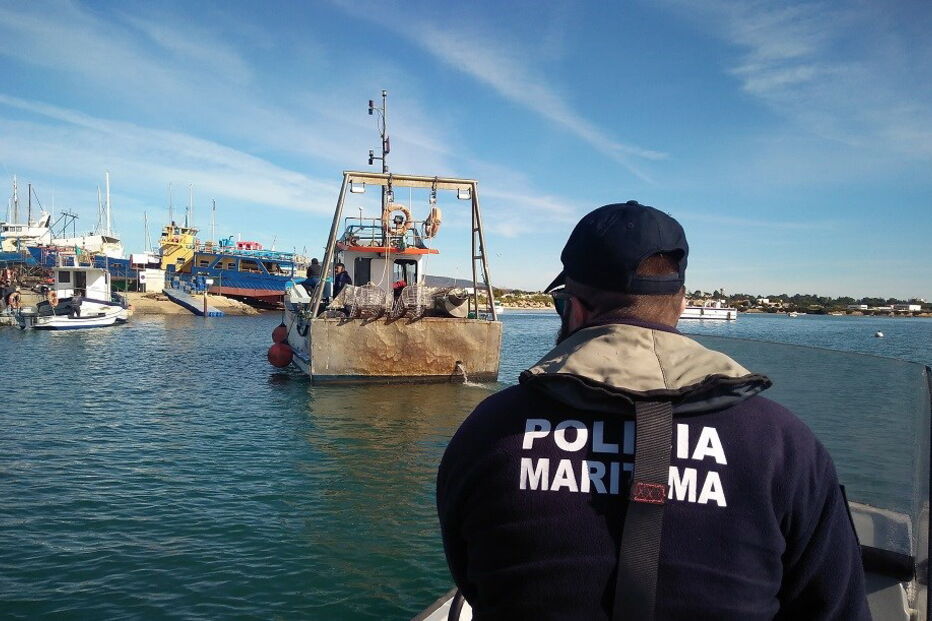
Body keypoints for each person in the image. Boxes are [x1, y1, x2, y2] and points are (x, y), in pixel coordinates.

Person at [437, 201, 868, 620]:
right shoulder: (782, 442)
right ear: (680, 305)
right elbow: (833, 605)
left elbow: (473, 578)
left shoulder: (493, 428)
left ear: (575, 308)